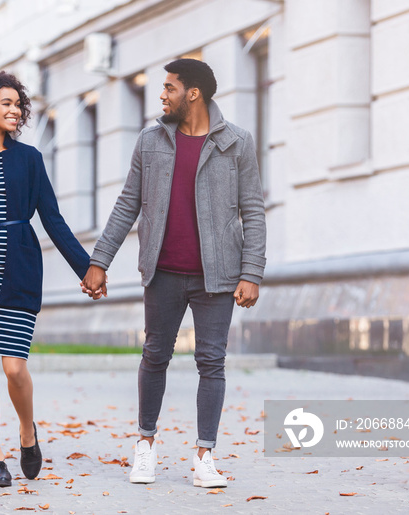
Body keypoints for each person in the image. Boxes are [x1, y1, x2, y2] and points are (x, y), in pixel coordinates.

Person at [81, 59, 266, 488]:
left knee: (211, 363)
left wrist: (251, 271)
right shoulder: (150, 141)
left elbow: (253, 210)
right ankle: (145, 445)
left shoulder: (236, 142)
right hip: (162, 272)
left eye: (169, 88)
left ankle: (205, 456)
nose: (161, 95)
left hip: (217, 276)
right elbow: (128, 203)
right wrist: (98, 261)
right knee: (155, 356)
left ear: (194, 92)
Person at [0, 71, 97, 487]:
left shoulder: (28, 158)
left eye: (18, 104)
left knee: (14, 368)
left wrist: (87, 267)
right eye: (6, 103)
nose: (15, 111)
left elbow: (52, 218)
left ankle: (27, 431)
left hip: (17, 268)